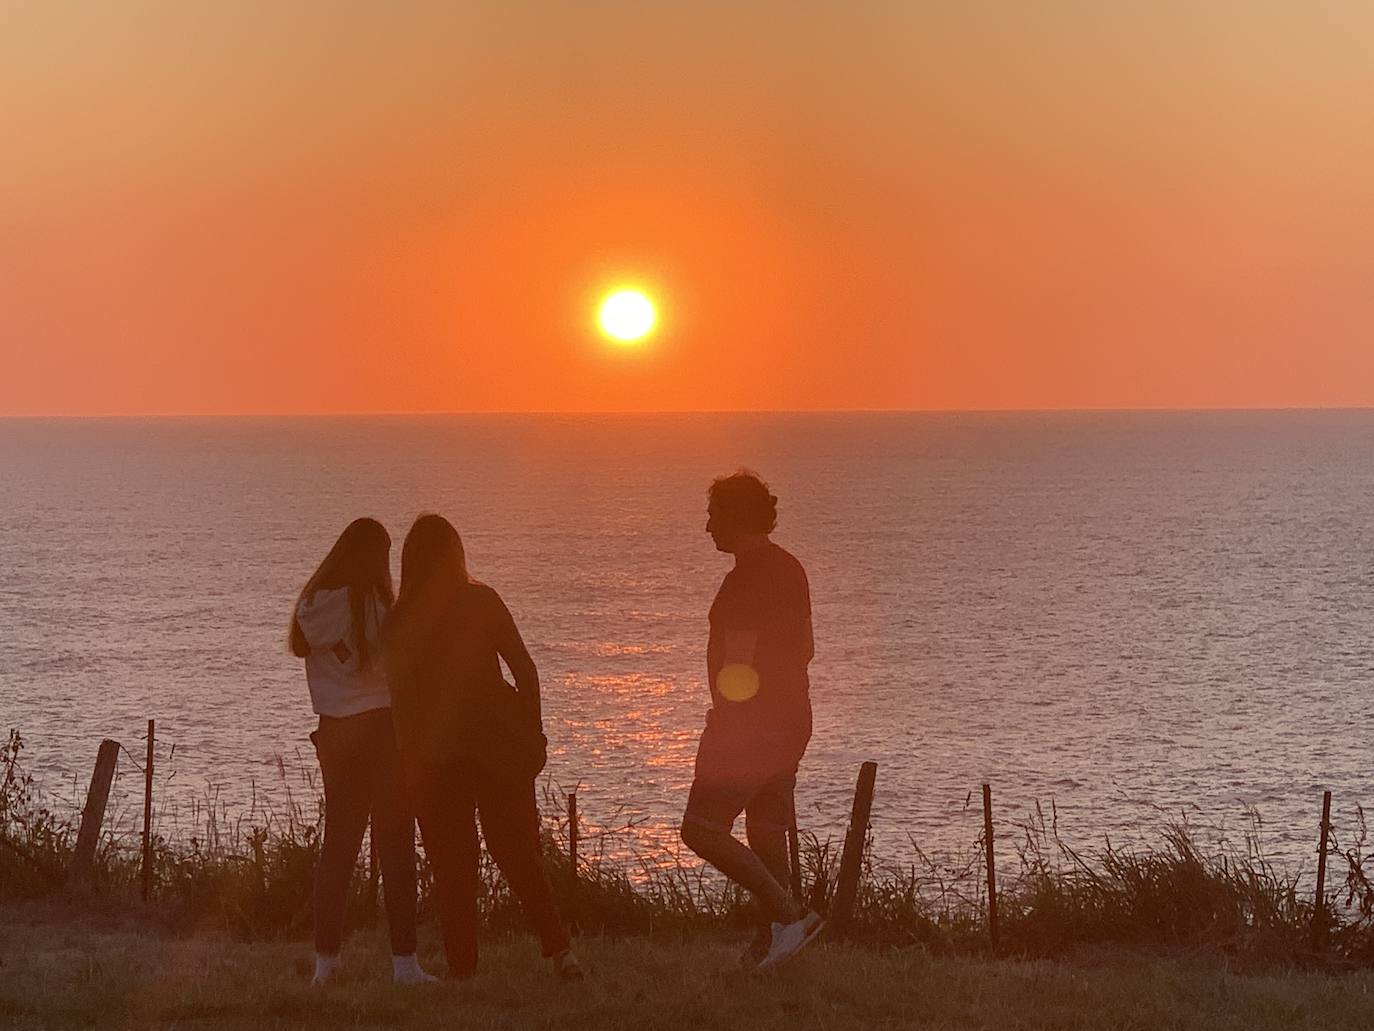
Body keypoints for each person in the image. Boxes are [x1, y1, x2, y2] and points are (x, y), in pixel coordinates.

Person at [382, 513, 581, 982]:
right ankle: (560, 952)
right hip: (499, 745)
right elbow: (525, 671)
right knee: (517, 852)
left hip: (437, 756)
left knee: (453, 863)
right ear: (456, 556)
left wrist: (410, 764)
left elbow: (403, 703)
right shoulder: (482, 601)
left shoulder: (400, 622)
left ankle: (463, 969)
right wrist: (534, 735)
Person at [680, 471, 823, 968]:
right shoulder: (791, 568)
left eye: (713, 516)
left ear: (735, 517)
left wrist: (728, 723)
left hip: (751, 728)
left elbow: (736, 667)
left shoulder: (745, 581)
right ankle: (774, 944)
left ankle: (788, 917)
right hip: (792, 720)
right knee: (765, 830)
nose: (707, 528)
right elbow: (806, 647)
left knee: (700, 829)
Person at [288, 517, 434, 986]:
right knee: (394, 845)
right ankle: (404, 964)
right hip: (381, 732)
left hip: (334, 734)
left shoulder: (309, 608)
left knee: (338, 849)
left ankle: (325, 964)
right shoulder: (377, 610)